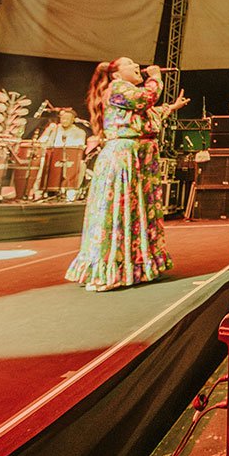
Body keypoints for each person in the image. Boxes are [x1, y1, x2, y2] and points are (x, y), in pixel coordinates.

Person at [65, 59, 172, 292]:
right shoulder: (118, 88)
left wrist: (170, 109)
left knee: (135, 212)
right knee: (119, 211)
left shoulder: (127, 94)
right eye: (130, 63)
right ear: (116, 74)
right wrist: (156, 77)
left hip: (139, 160)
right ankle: (109, 269)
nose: (136, 66)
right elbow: (146, 98)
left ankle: (136, 267)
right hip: (124, 158)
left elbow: (146, 117)